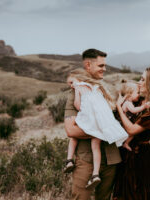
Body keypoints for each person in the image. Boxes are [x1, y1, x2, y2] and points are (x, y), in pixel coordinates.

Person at [64, 49, 122, 200]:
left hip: (111, 159)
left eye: (105, 65)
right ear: (88, 65)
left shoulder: (105, 90)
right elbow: (71, 130)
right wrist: (108, 131)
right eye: (101, 65)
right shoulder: (76, 92)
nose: (105, 69)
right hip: (86, 161)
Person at [113, 67, 150, 200]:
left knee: (137, 193)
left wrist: (119, 108)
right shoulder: (139, 101)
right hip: (126, 153)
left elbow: (132, 130)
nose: (139, 82)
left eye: (143, 79)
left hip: (139, 155)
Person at [119, 81, 150, 151]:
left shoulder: (130, 102)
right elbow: (134, 110)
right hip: (124, 122)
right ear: (129, 94)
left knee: (132, 134)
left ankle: (125, 143)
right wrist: (143, 107)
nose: (139, 95)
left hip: (126, 122)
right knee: (131, 133)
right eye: (137, 93)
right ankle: (126, 143)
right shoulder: (127, 103)